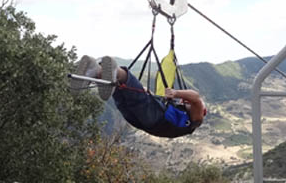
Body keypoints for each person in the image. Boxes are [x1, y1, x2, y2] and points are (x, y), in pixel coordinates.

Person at [71, 55, 206, 138]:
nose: (185, 101)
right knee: (125, 94)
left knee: (129, 95)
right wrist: (149, 93)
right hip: (147, 122)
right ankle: (104, 72)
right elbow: (156, 101)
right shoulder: (179, 110)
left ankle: (97, 70)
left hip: (153, 120)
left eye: (187, 101)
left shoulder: (196, 118)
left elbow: (196, 97)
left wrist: (176, 93)